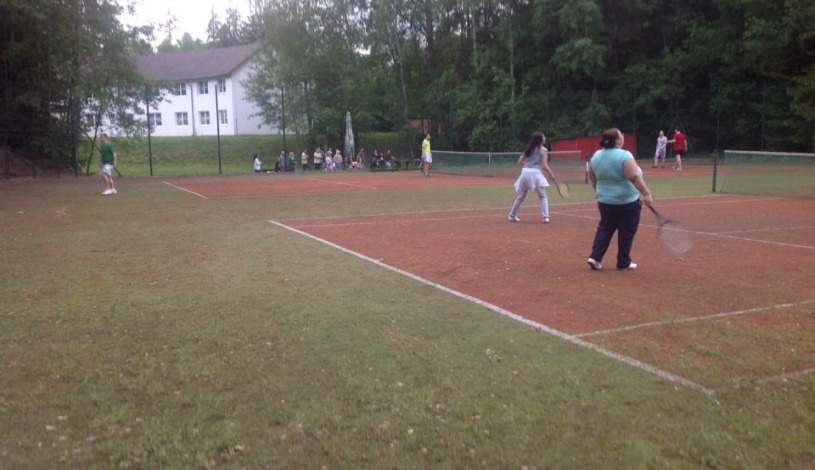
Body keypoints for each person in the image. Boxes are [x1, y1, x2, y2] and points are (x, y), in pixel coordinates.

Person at [586, 128, 654, 271]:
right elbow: (634, 176)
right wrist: (647, 193)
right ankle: (623, 261)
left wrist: (598, 192)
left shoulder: (596, 156)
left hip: (605, 202)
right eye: (621, 134)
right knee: (627, 231)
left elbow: (593, 177)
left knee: (605, 228)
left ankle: (595, 257)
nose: (623, 136)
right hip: (627, 202)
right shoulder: (625, 155)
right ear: (617, 140)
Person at [507, 131, 557, 224]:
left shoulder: (528, 148)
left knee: (521, 196)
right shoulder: (543, 150)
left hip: (525, 173)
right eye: (543, 137)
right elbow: (544, 165)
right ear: (540, 140)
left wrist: (528, 166)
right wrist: (551, 174)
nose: (545, 138)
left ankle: (512, 215)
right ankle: (546, 217)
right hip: (536, 174)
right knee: (543, 196)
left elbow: (520, 161)